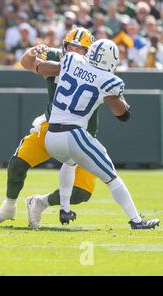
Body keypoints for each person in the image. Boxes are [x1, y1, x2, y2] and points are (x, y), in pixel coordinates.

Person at [35, 38, 159, 229]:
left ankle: (65, 208)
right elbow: (122, 115)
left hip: (51, 136)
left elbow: (44, 68)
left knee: (69, 163)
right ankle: (136, 220)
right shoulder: (110, 80)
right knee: (111, 176)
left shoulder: (71, 59)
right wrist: (121, 101)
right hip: (73, 135)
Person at [0, 27, 98, 228]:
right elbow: (26, 63)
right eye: (71, 46)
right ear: (64, 46)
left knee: (81, 193)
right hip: (52, 126)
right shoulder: (56, 57)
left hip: (83, 134)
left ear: (88, 52)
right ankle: (8, 207)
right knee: (18, 163)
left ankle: (40, 202)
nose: (74, 51)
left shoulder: (96, 69)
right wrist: (33, 52)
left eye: (80, 49)